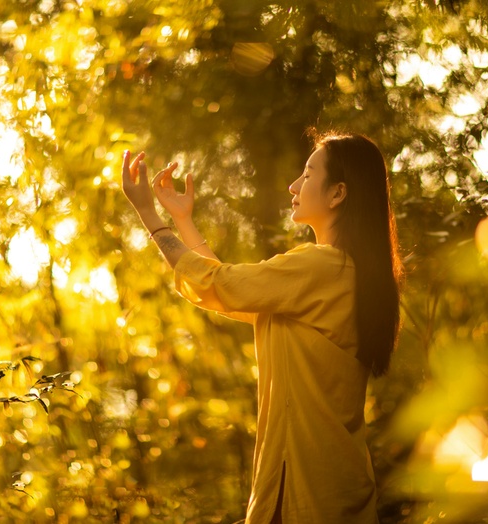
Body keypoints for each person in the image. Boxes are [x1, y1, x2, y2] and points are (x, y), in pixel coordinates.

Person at [121, 132, 402, 523]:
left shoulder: (321, 266)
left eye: (307, 175)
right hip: (330, 492)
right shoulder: (342, 273)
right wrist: (183, 220)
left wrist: (148, 215)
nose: (294, 185)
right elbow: (228, 289)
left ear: (338, 194)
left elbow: (222, 285)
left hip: (310, 498)